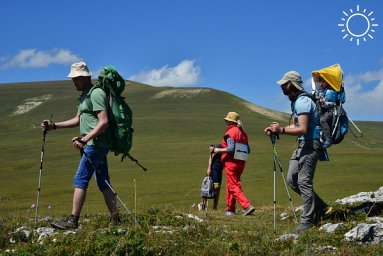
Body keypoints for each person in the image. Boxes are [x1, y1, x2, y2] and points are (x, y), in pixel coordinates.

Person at [41, 62, 120, 230]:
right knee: (103, 181)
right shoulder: (85, 94)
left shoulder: (96, 93)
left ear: (86, 77)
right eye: (73, 79)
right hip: (93, 143)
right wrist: (54, 126)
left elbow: (104, 122)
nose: (74, 82)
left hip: (95, 144)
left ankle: (73, 220)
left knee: (80, 179)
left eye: (77, 78)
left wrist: (85, 139)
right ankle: (116, 218)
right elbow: (78, 120)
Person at [264, 71, 331, 233]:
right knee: (292, 179)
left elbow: (302, 129)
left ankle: (307, 222)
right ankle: (321, 207)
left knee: (303, 181)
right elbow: (297, 126)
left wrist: (281, 130)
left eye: (284, 84)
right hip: (303, 145)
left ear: (292, 84)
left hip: (311, 144)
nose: (282, 87)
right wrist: (278, 130)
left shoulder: (302, 102)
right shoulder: (297, 102)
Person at [211, 112, 254, 216]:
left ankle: (247, 206)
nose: (225, 121)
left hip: (231, 162)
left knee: (233, 185)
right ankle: (230, 210)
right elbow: (248, 149)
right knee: (232, 184)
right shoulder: (243, 133)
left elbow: (230, 149)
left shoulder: (231, 132)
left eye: (227, 120)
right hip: (241, 162)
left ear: (230, 121)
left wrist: (216, 150)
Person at [313, 73, 344, 148]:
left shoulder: (330, 91)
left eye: (323, 82)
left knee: (323, 120)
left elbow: (330, 104)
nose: (320, 84)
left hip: (332, 110)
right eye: (319, 81)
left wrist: (322, 102)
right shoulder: (322, 91)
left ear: (327, 81)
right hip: (326, 110)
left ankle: (328, 139)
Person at [198, 146, 223, 211]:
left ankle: (214, 207)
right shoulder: (221, 146)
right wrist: (209, 167)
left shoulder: (230, 148)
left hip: (219, 170)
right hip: (214, 168)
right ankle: (203, 204)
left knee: (218, 188)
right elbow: (212, 154)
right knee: (210, 186)